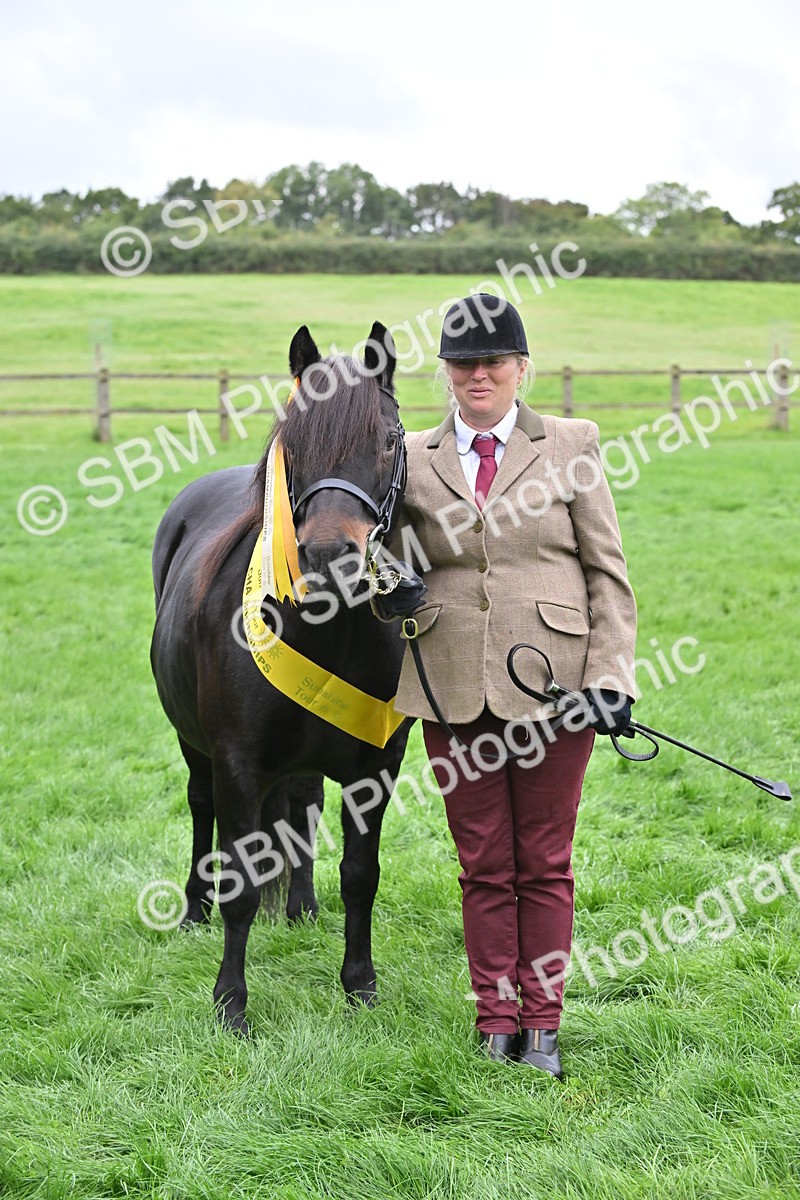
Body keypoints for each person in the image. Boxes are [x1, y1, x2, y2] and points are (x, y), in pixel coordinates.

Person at [375, 294, 637, 1078]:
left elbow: (607, 573)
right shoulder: (409, 456)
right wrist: (389, 581)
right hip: (449, 681)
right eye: (463, 363)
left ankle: (544, 1028)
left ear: (522, 368)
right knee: (484, 862)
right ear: (446, 374)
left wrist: (611, 678)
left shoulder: (572, 443)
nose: (478, 374)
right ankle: (496, 1022)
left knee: (545, 860)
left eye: (493, 362)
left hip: (559, 688)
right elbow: (380, 553)